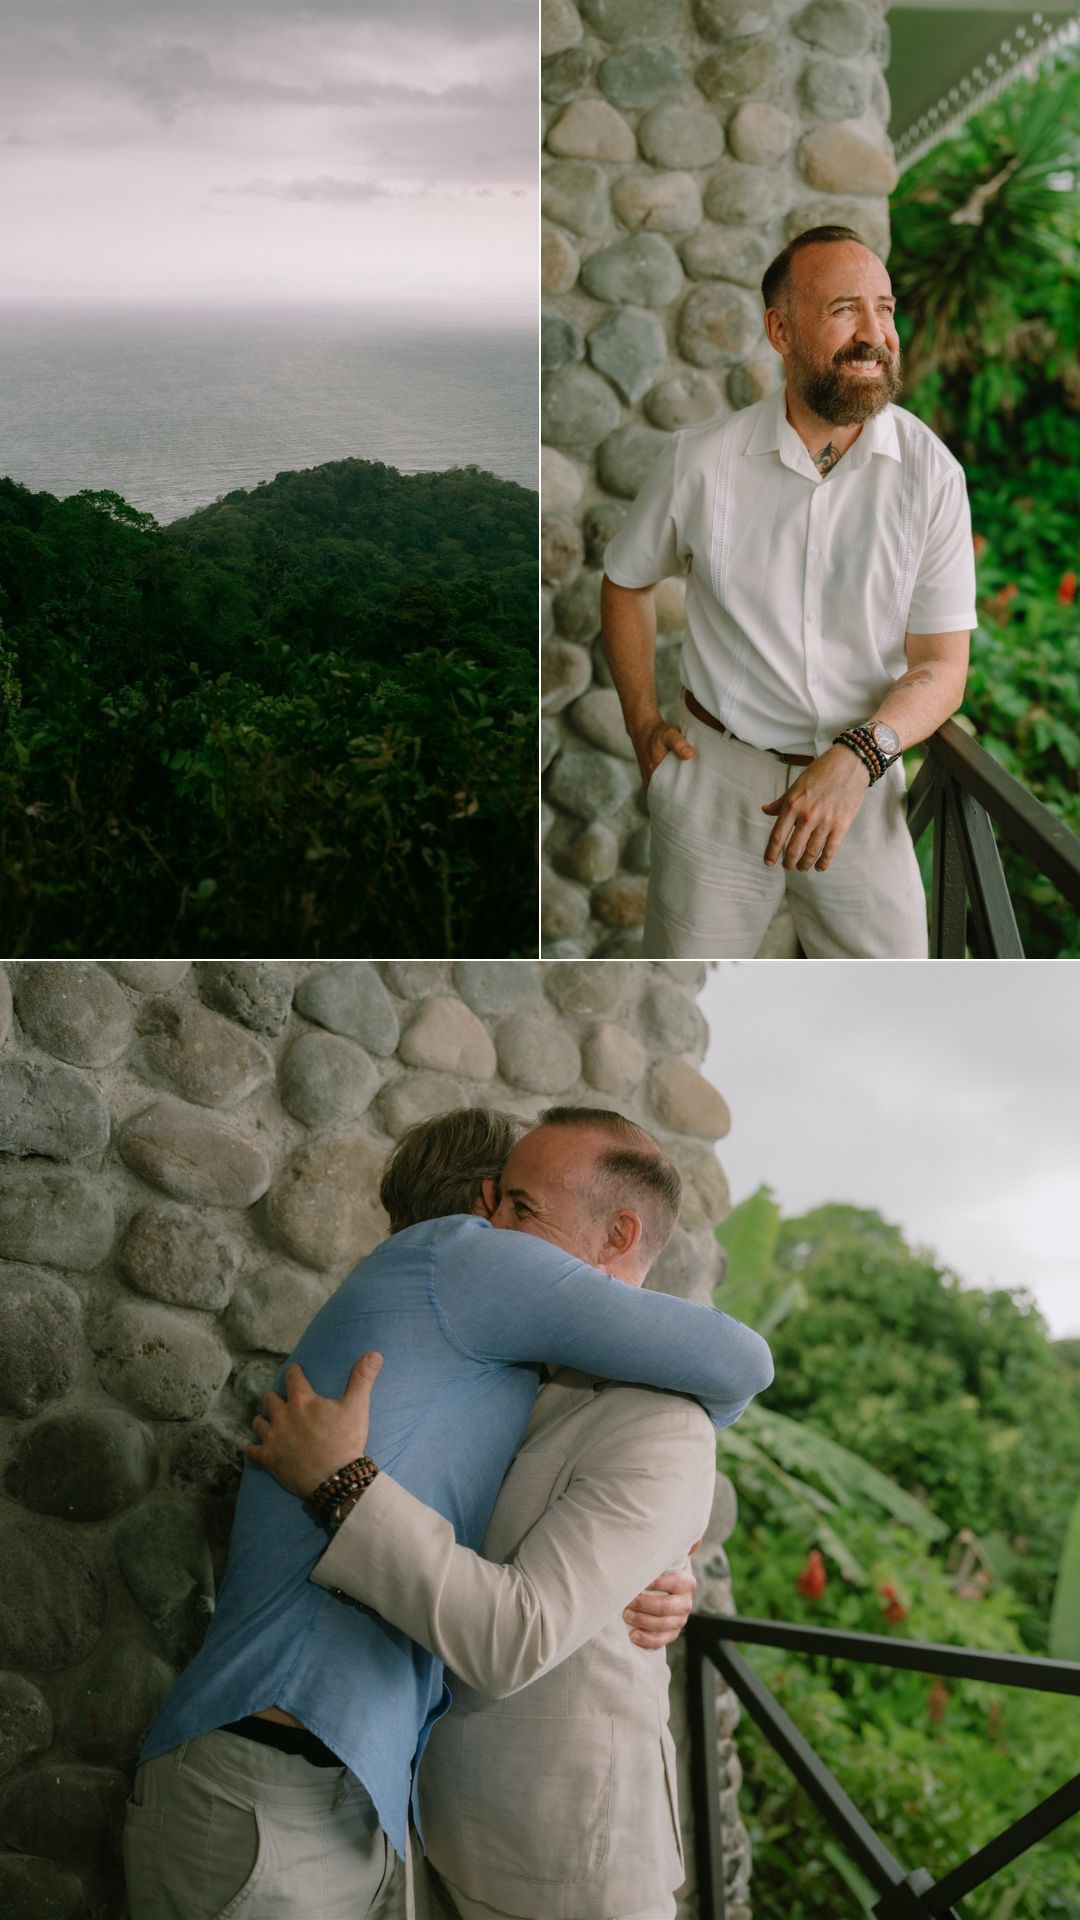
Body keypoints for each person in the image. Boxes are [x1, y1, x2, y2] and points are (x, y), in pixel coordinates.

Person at [124, 1106, 772, 1920]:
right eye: (499, 1205)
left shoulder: (505, 1382)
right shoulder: (456, 1255)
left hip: (390, 1809)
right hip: (274, 1781)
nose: (501, 1226)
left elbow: (554, 1533)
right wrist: (339, 1483)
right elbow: (741, 1363)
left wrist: (661, 1564)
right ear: (471, 1207)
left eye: (522, 1208)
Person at [600, 224, 979, 960]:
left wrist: (860, 756)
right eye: (844, 309)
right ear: (782, 329)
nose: (875, 333)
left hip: (862, 793)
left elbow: (943, 665)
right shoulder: (700, 463)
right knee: (689, 1004)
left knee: (892, 1012)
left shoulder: (932, 475)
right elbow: (625, 582)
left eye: (886, 308)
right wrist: (642, 723)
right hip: (713, 790)